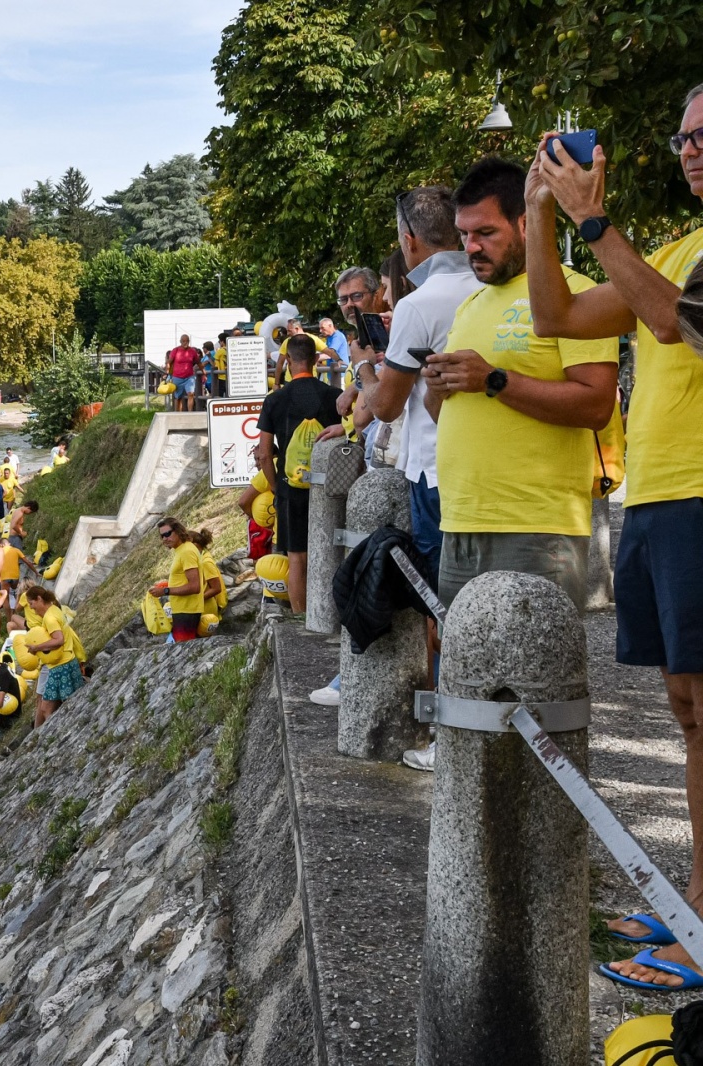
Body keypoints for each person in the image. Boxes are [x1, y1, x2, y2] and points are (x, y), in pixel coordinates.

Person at [526, 88, 703, 989]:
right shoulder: (669, 251)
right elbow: (556, 317)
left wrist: (596, 225)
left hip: (702, 502)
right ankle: (699, 906)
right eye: (685, 136)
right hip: (665, 500)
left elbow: (676, 319)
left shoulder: (665, 267)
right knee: (688, 714)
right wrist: (538, 213)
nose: (694, 150)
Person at [423, 156, 616, 612]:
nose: (470, 247)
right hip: (461, 521)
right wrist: (439, 386)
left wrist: (493, 379)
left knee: (532, 678)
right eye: (464, 234)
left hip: (537, 529)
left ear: (528, 223)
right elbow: (448, 413)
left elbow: (596, 406)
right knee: (463, 678)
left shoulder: (575, 294)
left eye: (485, 233)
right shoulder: (470, 305)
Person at [353, 186, 481, 755]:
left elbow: (384, 405)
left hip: (433, 470)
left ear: (409, 240)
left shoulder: (418, 305)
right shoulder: (487, 284)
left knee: (441, 601)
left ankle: (445, 735)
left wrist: (363, 370)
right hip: (487, 466)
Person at [255, 334, 345, 614]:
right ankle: (331, 615)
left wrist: (275, 486)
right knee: (332, 555)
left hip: (290, 489)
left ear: (289, 361)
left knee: (297, 559)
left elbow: (264, 453)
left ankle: (301, 617)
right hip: (329, 486)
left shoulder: (275, 400)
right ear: (317, 360)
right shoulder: (333, 396)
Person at [24, 586, 84, 727]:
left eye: (31, 604)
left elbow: (58, 640)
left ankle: (57, 732)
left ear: (39, 599)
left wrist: (36, 648)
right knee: (67, 703)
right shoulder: (55, 609)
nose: (32, 609)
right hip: (68, 661)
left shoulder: (49, 618)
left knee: (46, 709)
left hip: (61, 666)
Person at [158, 518, 205, 642]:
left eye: (168, 534)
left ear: (178, 531)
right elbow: (184, 579)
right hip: (183, 610)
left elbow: (195, 586)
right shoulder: (182, 550)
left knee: (183, 649)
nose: (164, 538)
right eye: (162, 536)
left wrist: (166, 591)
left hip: (187, 611)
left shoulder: (186, 552)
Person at [168, 334, 200, 412]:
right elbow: (169, 362)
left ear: (189, 341)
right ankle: (177, 412)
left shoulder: (192, 351)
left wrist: (203, 371)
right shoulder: (175, 350)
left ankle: (190, 412)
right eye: (183, 341)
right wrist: (168, 374)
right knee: (178, 397)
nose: (185, 343)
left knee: (191, 394)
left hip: (189, 377)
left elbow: (198, 362)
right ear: (180, 341)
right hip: (177, 376)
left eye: (187, 341)